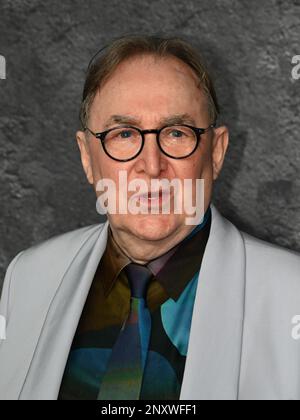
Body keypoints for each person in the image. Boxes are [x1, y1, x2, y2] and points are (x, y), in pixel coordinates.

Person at [0, 34, 300, 401]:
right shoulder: (27, 278)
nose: (152, 165)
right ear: (86, 157)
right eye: (124, 134)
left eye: (176, 132)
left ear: (217, 152)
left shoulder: (292, 297)